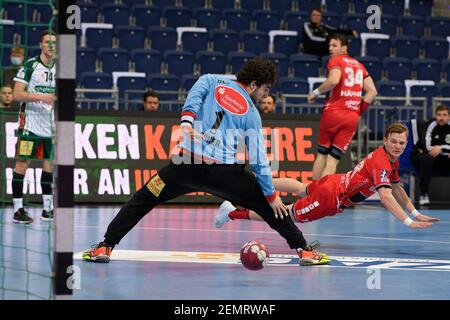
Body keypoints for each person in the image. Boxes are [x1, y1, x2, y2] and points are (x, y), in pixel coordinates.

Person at [82, 58, 329, 266]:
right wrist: (271, 194)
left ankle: (105, 247)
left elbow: (194, 98)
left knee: (142, 198)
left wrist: (187, 122)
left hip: (185, 166)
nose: (264, 96)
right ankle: (304, 251)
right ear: (253, 85)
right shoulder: (252, 113)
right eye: (264, 90)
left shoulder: (210, 79)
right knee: (270, 208)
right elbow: (257, 158)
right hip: (225, 174)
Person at [214, 123, 439, 232]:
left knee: (302, 188)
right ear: (385, 140)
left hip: (335, 181)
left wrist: (416, 212)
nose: (398, 146)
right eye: (394, 141)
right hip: (332, 196)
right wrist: (409, 222)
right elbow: (386, 196)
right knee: (287, 215)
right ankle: (232, 213)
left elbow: (397, 188)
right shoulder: (382, 161)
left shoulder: (391, 158)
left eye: (402, 143)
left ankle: (254, 180)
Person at [308, 34, 378, 181]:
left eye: (334, 45)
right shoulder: (359, 66)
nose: (330, 48)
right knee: (333, 160)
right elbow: (372, 91)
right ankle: (323, 196)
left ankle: (312, 194)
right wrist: (359, 110)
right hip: (352, 116)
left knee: (322, 154)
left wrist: (315, 92)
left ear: (344, 48)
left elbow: (333, 80)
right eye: (329, 45)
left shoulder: (336, 60)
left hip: (333, 112)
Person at [11, 30, 56, 224]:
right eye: (47, 42)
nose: (51, 46)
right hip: (30, 124)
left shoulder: (60, 69)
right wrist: (41, 97)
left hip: (50, 126)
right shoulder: (30, 66)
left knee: (49, 164)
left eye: (54, 42)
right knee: (22, 164)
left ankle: (47, 209)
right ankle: (18, 210)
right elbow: (17, 94)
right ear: (41, 45)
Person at [411, 105, 450, 205]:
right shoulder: (431, 125)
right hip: (431, 156)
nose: (441, 117)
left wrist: (441, 148)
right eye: (439, 115)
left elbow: (439, 149)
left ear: (449, 117)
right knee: (426, 158)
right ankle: (424, 194)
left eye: (444, 115)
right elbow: (427, 146)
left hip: (444, 157)